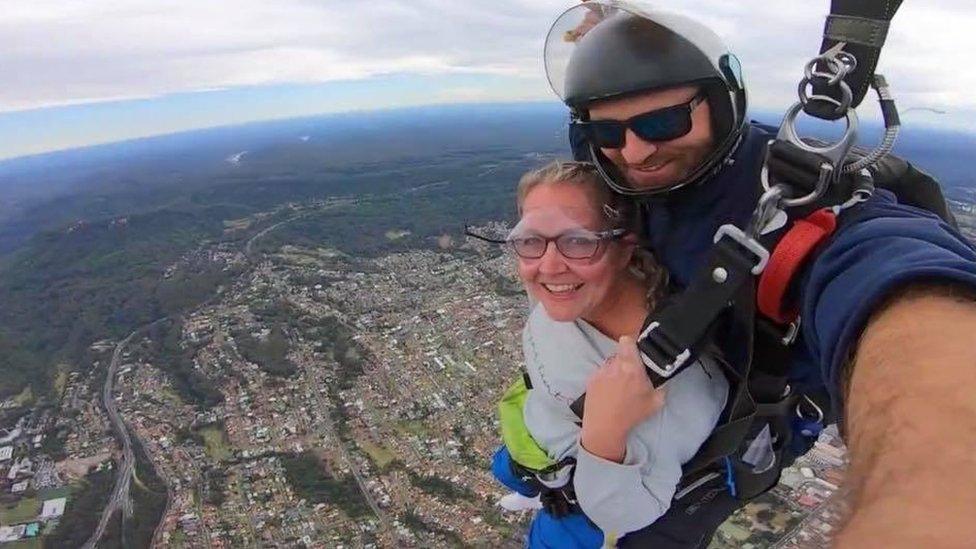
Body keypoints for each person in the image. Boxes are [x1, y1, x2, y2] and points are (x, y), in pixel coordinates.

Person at [502, 2, 976, 547]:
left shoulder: (792, 204)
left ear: (722, 104)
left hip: (715, 447)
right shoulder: (620, 162)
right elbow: (597, 145)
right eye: (610, 129)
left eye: (664, 121)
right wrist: (616, 32)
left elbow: (887, 273)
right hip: (618, 398)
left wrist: (934, 489)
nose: (635, 149)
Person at [479, 161, 728, 547]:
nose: (547, 266)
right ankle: (528, 489)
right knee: (507, 467)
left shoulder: (673, 386)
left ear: (624, 248)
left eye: (578, 241)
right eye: (530, 241)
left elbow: (631, 512)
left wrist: (604, 434)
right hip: (538, 429)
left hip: (581, 503)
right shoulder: (566, 291)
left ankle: (539, 495)